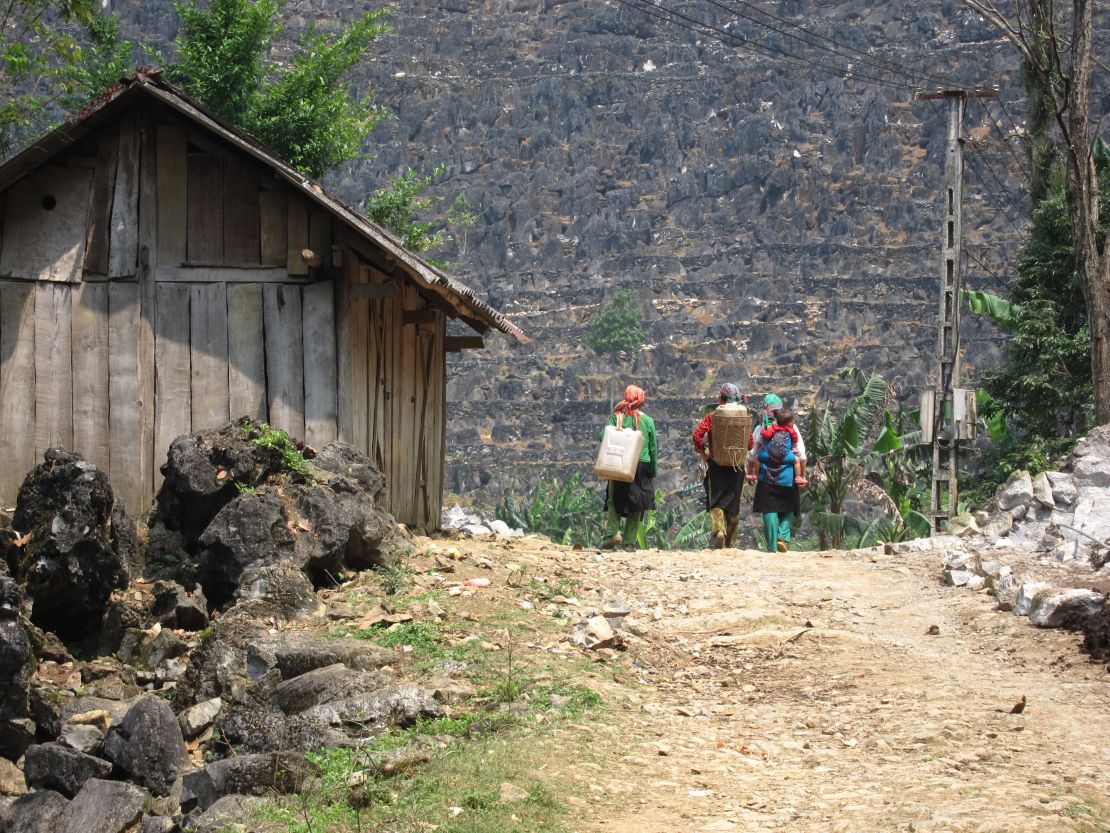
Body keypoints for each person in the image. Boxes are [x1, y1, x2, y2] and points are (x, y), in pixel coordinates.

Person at [746, 395, 807, 553]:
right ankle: (782, 536)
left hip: (766, 476)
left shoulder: (761, 428)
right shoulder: (791, 428)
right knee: (789, 507)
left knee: (769, 509)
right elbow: (801, 455)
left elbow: (752, 454)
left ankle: (772, 546)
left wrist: (751, 472)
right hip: (788, 476)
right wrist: (801, 476)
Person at [601, 384, 658, 550]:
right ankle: (629, 543)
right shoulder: (648, 421)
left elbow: (603, 436)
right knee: (637, 505)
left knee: (614, 500)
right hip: (642, 466)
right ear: (642, 402)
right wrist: (653, 471)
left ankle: (612, 534)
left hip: (620, 463)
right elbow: (653, 448)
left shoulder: (617, 417)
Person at [692, 383, 746, 549]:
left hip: (716, 464)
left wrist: (705, 454)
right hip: (737, 466)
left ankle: (719, 531)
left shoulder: (712, 416)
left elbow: (697, 437)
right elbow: (750, 442)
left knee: (716, 499)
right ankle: (730, 543)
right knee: (733, 501)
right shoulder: (743, 417)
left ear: (721, 398)